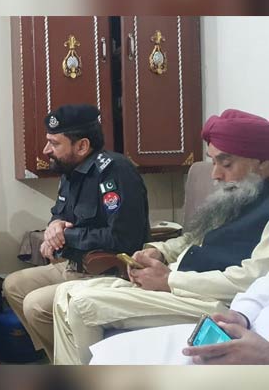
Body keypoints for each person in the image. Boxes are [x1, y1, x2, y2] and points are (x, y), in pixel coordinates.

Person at [52, 108, 269, 365]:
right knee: (65, 293)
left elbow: (253, 279)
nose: (215, 175)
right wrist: (159, 251)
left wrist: (170, 280)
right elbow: (194, 240)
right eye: (213, 163)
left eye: (226, 163)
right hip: (183, 287)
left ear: (263, 163)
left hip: (218, 301)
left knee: (82, 304)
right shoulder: (239, 194)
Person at [3, 104, 150, 361]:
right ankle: (59, 358)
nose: (46, 150)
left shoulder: (114, 171)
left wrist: (67, 236)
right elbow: (60, 213)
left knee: (35, 305)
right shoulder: (70, 172)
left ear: (81, 146)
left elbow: (124, 239)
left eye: (54, 143)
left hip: (110, 270)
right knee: (13, 285)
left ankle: (76, 362)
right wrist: (54, 226)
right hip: (74, 264)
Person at [88, 273, 269, 365]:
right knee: (113, 357)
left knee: (85, 304)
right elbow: (263, 285)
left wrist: (265, 355)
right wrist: (243, 315)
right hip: (246, 333)